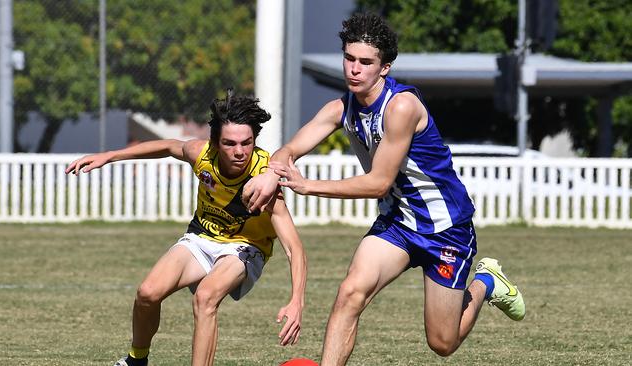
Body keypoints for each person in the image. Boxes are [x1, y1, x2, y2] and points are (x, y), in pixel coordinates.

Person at [243, 13, 525, 365]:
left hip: (445, 229)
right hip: (397, 225)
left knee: (442, 342)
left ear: (384, 68)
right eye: (349, 59)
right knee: (350, 293)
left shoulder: (401, 107)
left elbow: (378, 183)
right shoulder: (340, 108)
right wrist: (272, 172)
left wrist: (306, 185)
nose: (354, 69)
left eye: (365, 62)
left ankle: (486, 282)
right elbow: (289, 150)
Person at [65, 91, 307, 366]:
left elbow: (295, 248)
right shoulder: (202, 155)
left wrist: (296, 300)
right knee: (147, 293)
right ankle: (136, 360)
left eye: (246, 143)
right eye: (229, 143)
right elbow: (169, 146)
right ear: (215, 143)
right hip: (201, 236)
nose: (239, 151)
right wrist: (110, 155)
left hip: (245, 247)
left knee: (206, 297)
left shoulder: (264, 181)